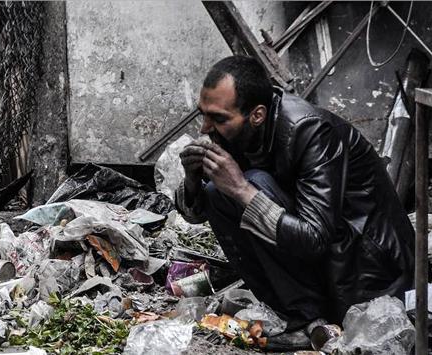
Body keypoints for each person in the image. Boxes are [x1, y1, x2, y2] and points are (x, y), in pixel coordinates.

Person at [176, 56, 415, 329]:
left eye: (217, 118)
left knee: (251, 184)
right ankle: (291, 312)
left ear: (257, 115)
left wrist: (242, 189)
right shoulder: (236, 131)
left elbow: (315, 237)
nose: (206, 127)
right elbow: (200, 214)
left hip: (369, 271)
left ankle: (308, 319)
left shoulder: (310, 131)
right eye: (202, 114)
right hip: (326, 261)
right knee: (219, 193)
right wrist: (192, 180)